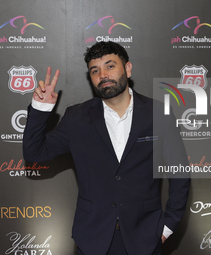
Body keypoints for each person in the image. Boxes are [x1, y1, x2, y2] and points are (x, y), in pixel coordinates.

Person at [23, 41, 190, 255]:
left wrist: (168, 226)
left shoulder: (159, 113)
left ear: (128, 69)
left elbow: (180, 173)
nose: (102, 74)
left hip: (145, 237)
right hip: (93, 238)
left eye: (110, 66)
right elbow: (34, 152)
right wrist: (41, 108)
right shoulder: (77, 118)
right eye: (95, 70)